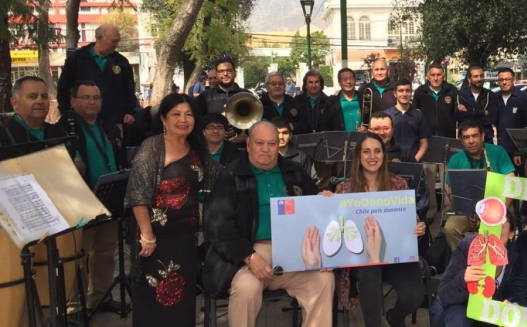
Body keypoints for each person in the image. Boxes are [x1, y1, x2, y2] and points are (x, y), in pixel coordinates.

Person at [203, 121, 333, 327]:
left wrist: (324, 201)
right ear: (248, 144)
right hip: (248, 255)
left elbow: (314, 210)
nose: (266, 149)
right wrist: (250, 256)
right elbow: (218, 227)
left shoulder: (294, 172)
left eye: (272, 143)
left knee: (323, 281)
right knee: (247, 287)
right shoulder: (231, 175)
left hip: (294, 254)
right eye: (259, 143)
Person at [124, 93, 222, 327]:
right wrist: (147, 236)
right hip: (155, 241)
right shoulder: (153, 147)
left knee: (182, 301)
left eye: (189, 114)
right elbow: (138, 194)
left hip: (186, 239)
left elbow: (220, 176)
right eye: (176, 114)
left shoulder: (195, 148)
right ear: (163, 119)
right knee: (155, 301)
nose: (183, 119)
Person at [334, 132, 427, 327]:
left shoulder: (398, 184)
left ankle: (393, 318)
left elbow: (409, 219)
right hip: (360, 258)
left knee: (414, 296)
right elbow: (336, 228)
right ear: (358, 156)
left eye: (377, 151)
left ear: (384, 155)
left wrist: (417, 227)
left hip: (396, 255)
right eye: (366, 151)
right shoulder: (344, 189)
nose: (372, 156)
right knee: (370, 272)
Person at [57, 81, 126, 314]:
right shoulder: (64, 126)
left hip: (110, 197)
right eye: (85, 98)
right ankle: (75, 306)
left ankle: (101, 297)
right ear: (73, 100)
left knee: (105, 254)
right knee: (79, 256)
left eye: (95, 97)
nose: (92, 102)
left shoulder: (107, 124)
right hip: (80, 202)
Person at [430, 214, 516, 327]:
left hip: (486, 315)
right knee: (458, 316)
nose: (493, 231)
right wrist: (463, 279)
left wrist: (512, 303)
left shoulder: (516, 258)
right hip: (453, 312)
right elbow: (443, 295)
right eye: (489, 225)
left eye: (499, 226)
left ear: (511, 234)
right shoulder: (466, 247)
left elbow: (516, 293)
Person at [443, 120, 516, 250]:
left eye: (475, 136)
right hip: (470, 211)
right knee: (450, 228)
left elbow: (512, 183)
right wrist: (466, 212)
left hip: (500, 209)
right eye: (466, 137)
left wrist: (499, 213)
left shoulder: (498, 152)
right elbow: (451, 190)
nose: (471, 141)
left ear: (482, 136)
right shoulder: (455, 160)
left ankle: (499, 264)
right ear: (461, 140)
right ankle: (464, 264)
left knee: (501, 229)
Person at [57, 24, 137, 129]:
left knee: (113, 145)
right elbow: (63, 87)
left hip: (114, 119)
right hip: (82, 120)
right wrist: (65, 111)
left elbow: (129, 89)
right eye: (113, 41)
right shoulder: (77, 58)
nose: (116, 45)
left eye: (118, 41)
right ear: (99, 38)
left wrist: (130, 111)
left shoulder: (121, 61)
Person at [386, 78, 432, 162]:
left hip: (413, 161)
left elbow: (424, 142)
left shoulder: (419, 116)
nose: (404, 94)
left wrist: (415, 160)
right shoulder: (387, 116)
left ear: (411, 93)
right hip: (390, 161)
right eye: (401, 91)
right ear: (395, 94)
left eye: (407, 91)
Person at [493, 67, 527, 171]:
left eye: (507, 79)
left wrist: (518, 151)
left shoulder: (524, 98)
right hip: (501, 148)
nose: (504, 82)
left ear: (513, 80)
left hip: (520, 150)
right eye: (501, 80)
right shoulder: (494, 98)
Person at [413, 64, 458, 138]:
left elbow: (457, 114)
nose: (436, 78)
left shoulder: (452, 90)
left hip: (447, 136)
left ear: (444, 76)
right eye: (433, 75)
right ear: (428, 76)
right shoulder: (420, 92)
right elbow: (414, 114)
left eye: (438, 75)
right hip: (425, 137)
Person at [456, 66, 497, 143]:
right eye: (475, 76)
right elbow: (458, 116)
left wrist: (468, 112)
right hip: (467, 139)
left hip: (486, 139)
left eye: (481, 76)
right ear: (469, 79)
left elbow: (492, 118)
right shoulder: (461, 95)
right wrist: (482, 112)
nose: (479, 79)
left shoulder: (490, 95)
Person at [293, 70, 334, 135]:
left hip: (323, 141)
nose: (314, 85)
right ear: (305, 85)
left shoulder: (329, 102)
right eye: (310, 82)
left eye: (316, 82)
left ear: (321, 85)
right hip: (302, 141)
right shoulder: (297, 101)